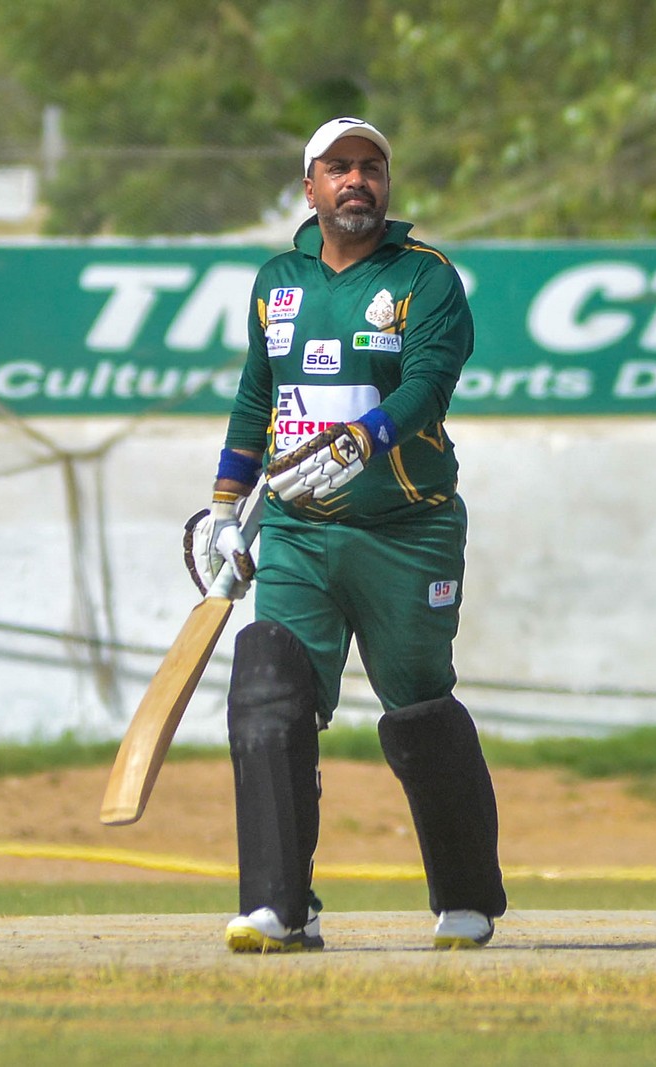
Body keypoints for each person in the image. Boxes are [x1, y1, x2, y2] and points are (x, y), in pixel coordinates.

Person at [188, 116, 506, 954]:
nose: (357, 180)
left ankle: (466, 897)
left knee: (420, 705)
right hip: (297, 531)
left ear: (387, 183)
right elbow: (257, 397)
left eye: (371, 167)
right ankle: (280, 906)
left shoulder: (425, 276)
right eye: (339, 168)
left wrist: (364, 440)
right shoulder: (277, 282)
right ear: (311, 187)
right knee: (269, 690)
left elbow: (429, 382)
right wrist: (225, 509)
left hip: (407, 528)